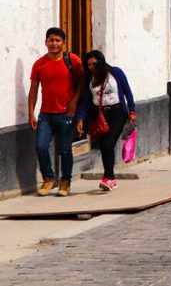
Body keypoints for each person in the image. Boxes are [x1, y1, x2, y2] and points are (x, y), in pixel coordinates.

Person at [28, 27, 83, 196]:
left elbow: (82, 83)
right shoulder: (39, 64)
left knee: (65, 149)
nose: (54, 43)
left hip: (66, 114)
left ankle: (65, 182)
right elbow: (34, 90)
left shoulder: (72, 60)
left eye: (57, 40)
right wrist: (31, 113)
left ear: (63, 43)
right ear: (46, 42)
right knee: (41, 146)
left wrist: (74, 102)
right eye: (51, 40)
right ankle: (48, 179)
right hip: (45, 114)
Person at [75, 50, 137, 191]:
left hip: (117, 113)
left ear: (101, 62)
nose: (92, 67)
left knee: (108, 143)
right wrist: (80, 119)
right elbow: (85, 102)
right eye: (89, 64)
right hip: (100, 116)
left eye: (94, 64)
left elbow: (127, 92)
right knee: (104, 146)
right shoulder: (89, 79)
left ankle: (108, 177)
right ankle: (110, 178)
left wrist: (132, 110)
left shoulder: (115, 73)